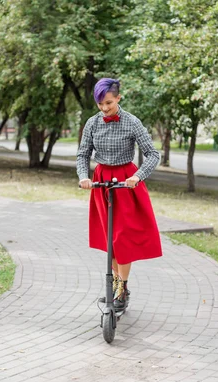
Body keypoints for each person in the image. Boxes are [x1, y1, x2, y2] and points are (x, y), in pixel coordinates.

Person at [77, 78, 163, 311]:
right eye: (100, 104)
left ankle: (122, 287)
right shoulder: (92, 123)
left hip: (126, 182)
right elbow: (83, 154)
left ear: (118, 98)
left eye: (108, 103)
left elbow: (153, 154)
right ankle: (115, 283)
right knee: (109, 240)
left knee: (122, 238)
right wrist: (83, 176)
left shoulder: (132, 122)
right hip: (101, 183)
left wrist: (138, 176)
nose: (104, 108)